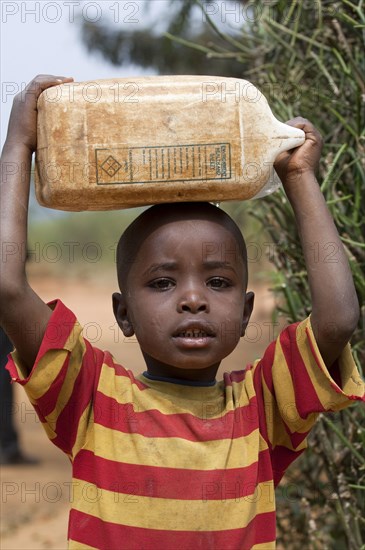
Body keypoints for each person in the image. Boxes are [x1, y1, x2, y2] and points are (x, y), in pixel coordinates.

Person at [0, 75, 363, 549]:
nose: (194, 299)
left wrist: (299, 177)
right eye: (163, 282)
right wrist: (20, 144)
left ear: (247, 310)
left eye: (218, 281)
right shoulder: (92, 399)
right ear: (123, 314)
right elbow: (7, 288)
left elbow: (337, 319)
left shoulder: (264, 408)